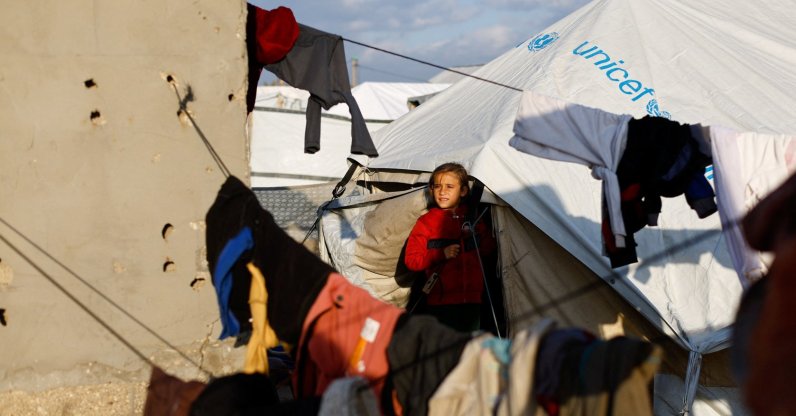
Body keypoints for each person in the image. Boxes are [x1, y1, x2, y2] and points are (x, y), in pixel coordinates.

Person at [404, 162, 495, 332]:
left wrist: (476, 235)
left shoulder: (473, 217)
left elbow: (489, 249)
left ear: (463, 191)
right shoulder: (426, 222)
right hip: (440, 303)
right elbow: (411, 260)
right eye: (437, 186)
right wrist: (440, 254)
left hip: (473, 302)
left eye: (449, 186)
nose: (442, 191)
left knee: (468, 348)